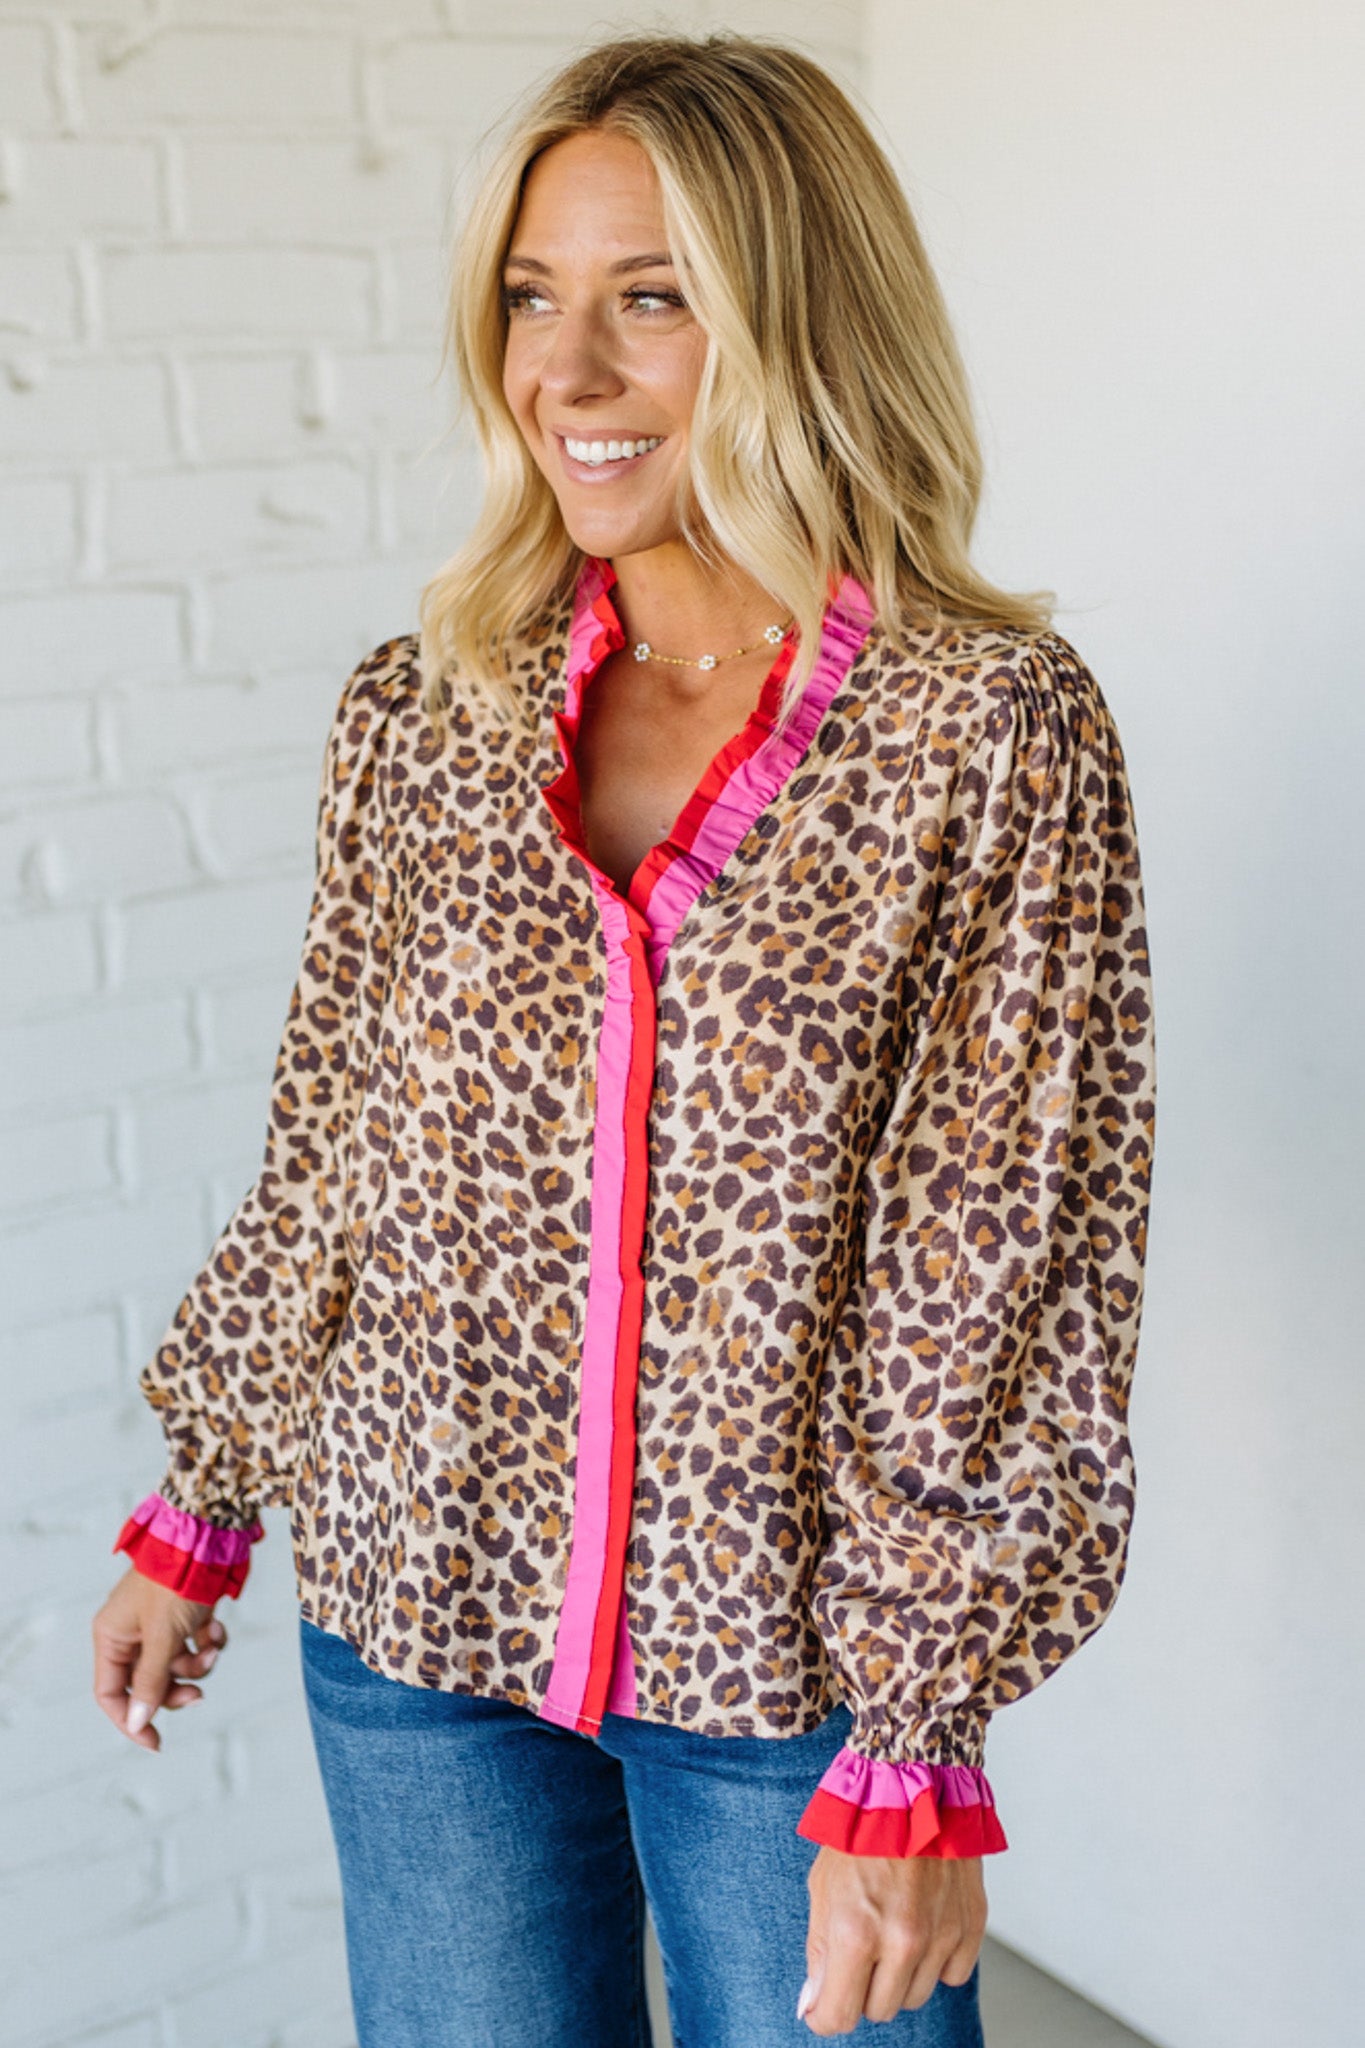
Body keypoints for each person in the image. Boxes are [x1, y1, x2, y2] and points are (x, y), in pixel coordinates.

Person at [91, 31, 1155, 2047]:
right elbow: (332, 1138)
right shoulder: (424, 714)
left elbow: (1000, 1256)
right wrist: (205, 1494)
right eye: (528, 296)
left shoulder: (984, 736)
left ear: (793, 318)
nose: (562, 375)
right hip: (419, 1615)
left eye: (648, 298)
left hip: (779, 1672)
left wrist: (918, 1733)